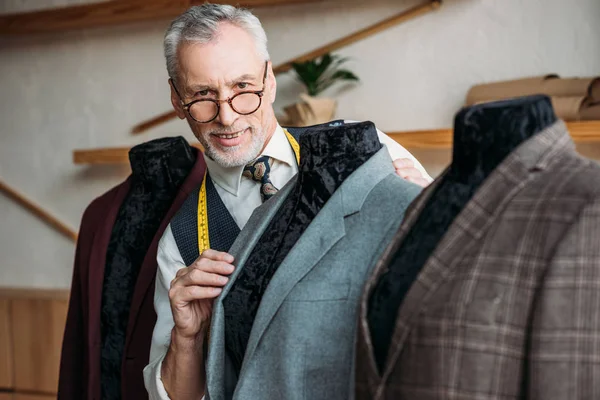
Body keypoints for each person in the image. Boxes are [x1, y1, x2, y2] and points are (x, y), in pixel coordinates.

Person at [143, 4, 431, 399]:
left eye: (243, 87)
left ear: (270, 80)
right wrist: (188, 337)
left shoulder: (364, 151)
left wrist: (429, 213)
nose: (226, 117)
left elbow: (451, 274)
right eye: (203, 95)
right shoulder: (182, 242)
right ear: (177, 100)